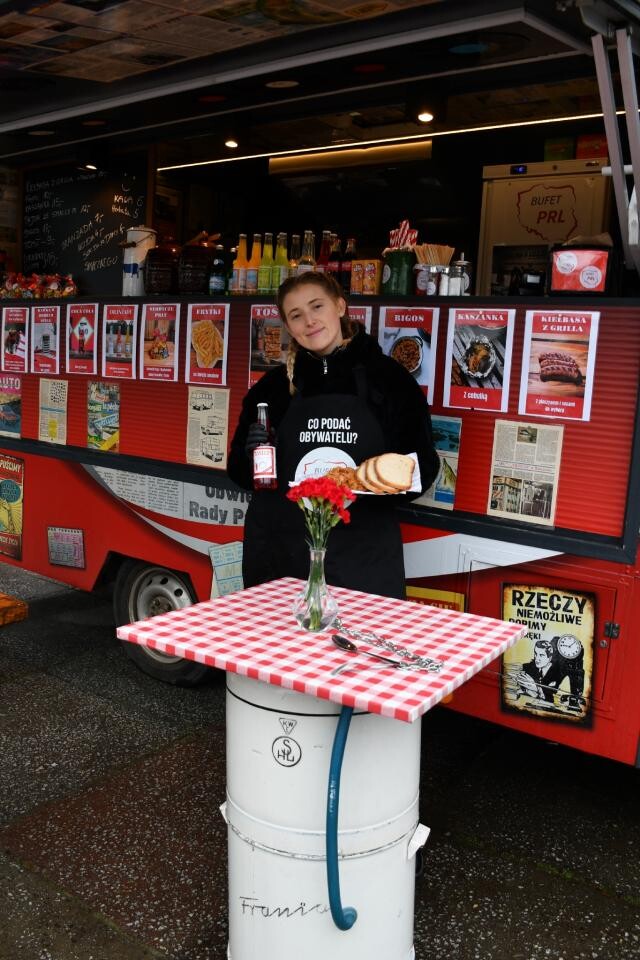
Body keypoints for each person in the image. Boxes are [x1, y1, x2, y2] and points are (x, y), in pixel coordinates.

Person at [227, 271, 439, 599]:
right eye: (296, 315)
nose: (309, 321)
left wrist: (371, 484)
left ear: (340, 306)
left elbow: (423, 467)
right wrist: (250, 455)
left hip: (362, 557)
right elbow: (240, 474)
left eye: (317, 306)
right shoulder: (271, 389)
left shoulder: (389, 381)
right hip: (282, 557)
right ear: (289, 327)